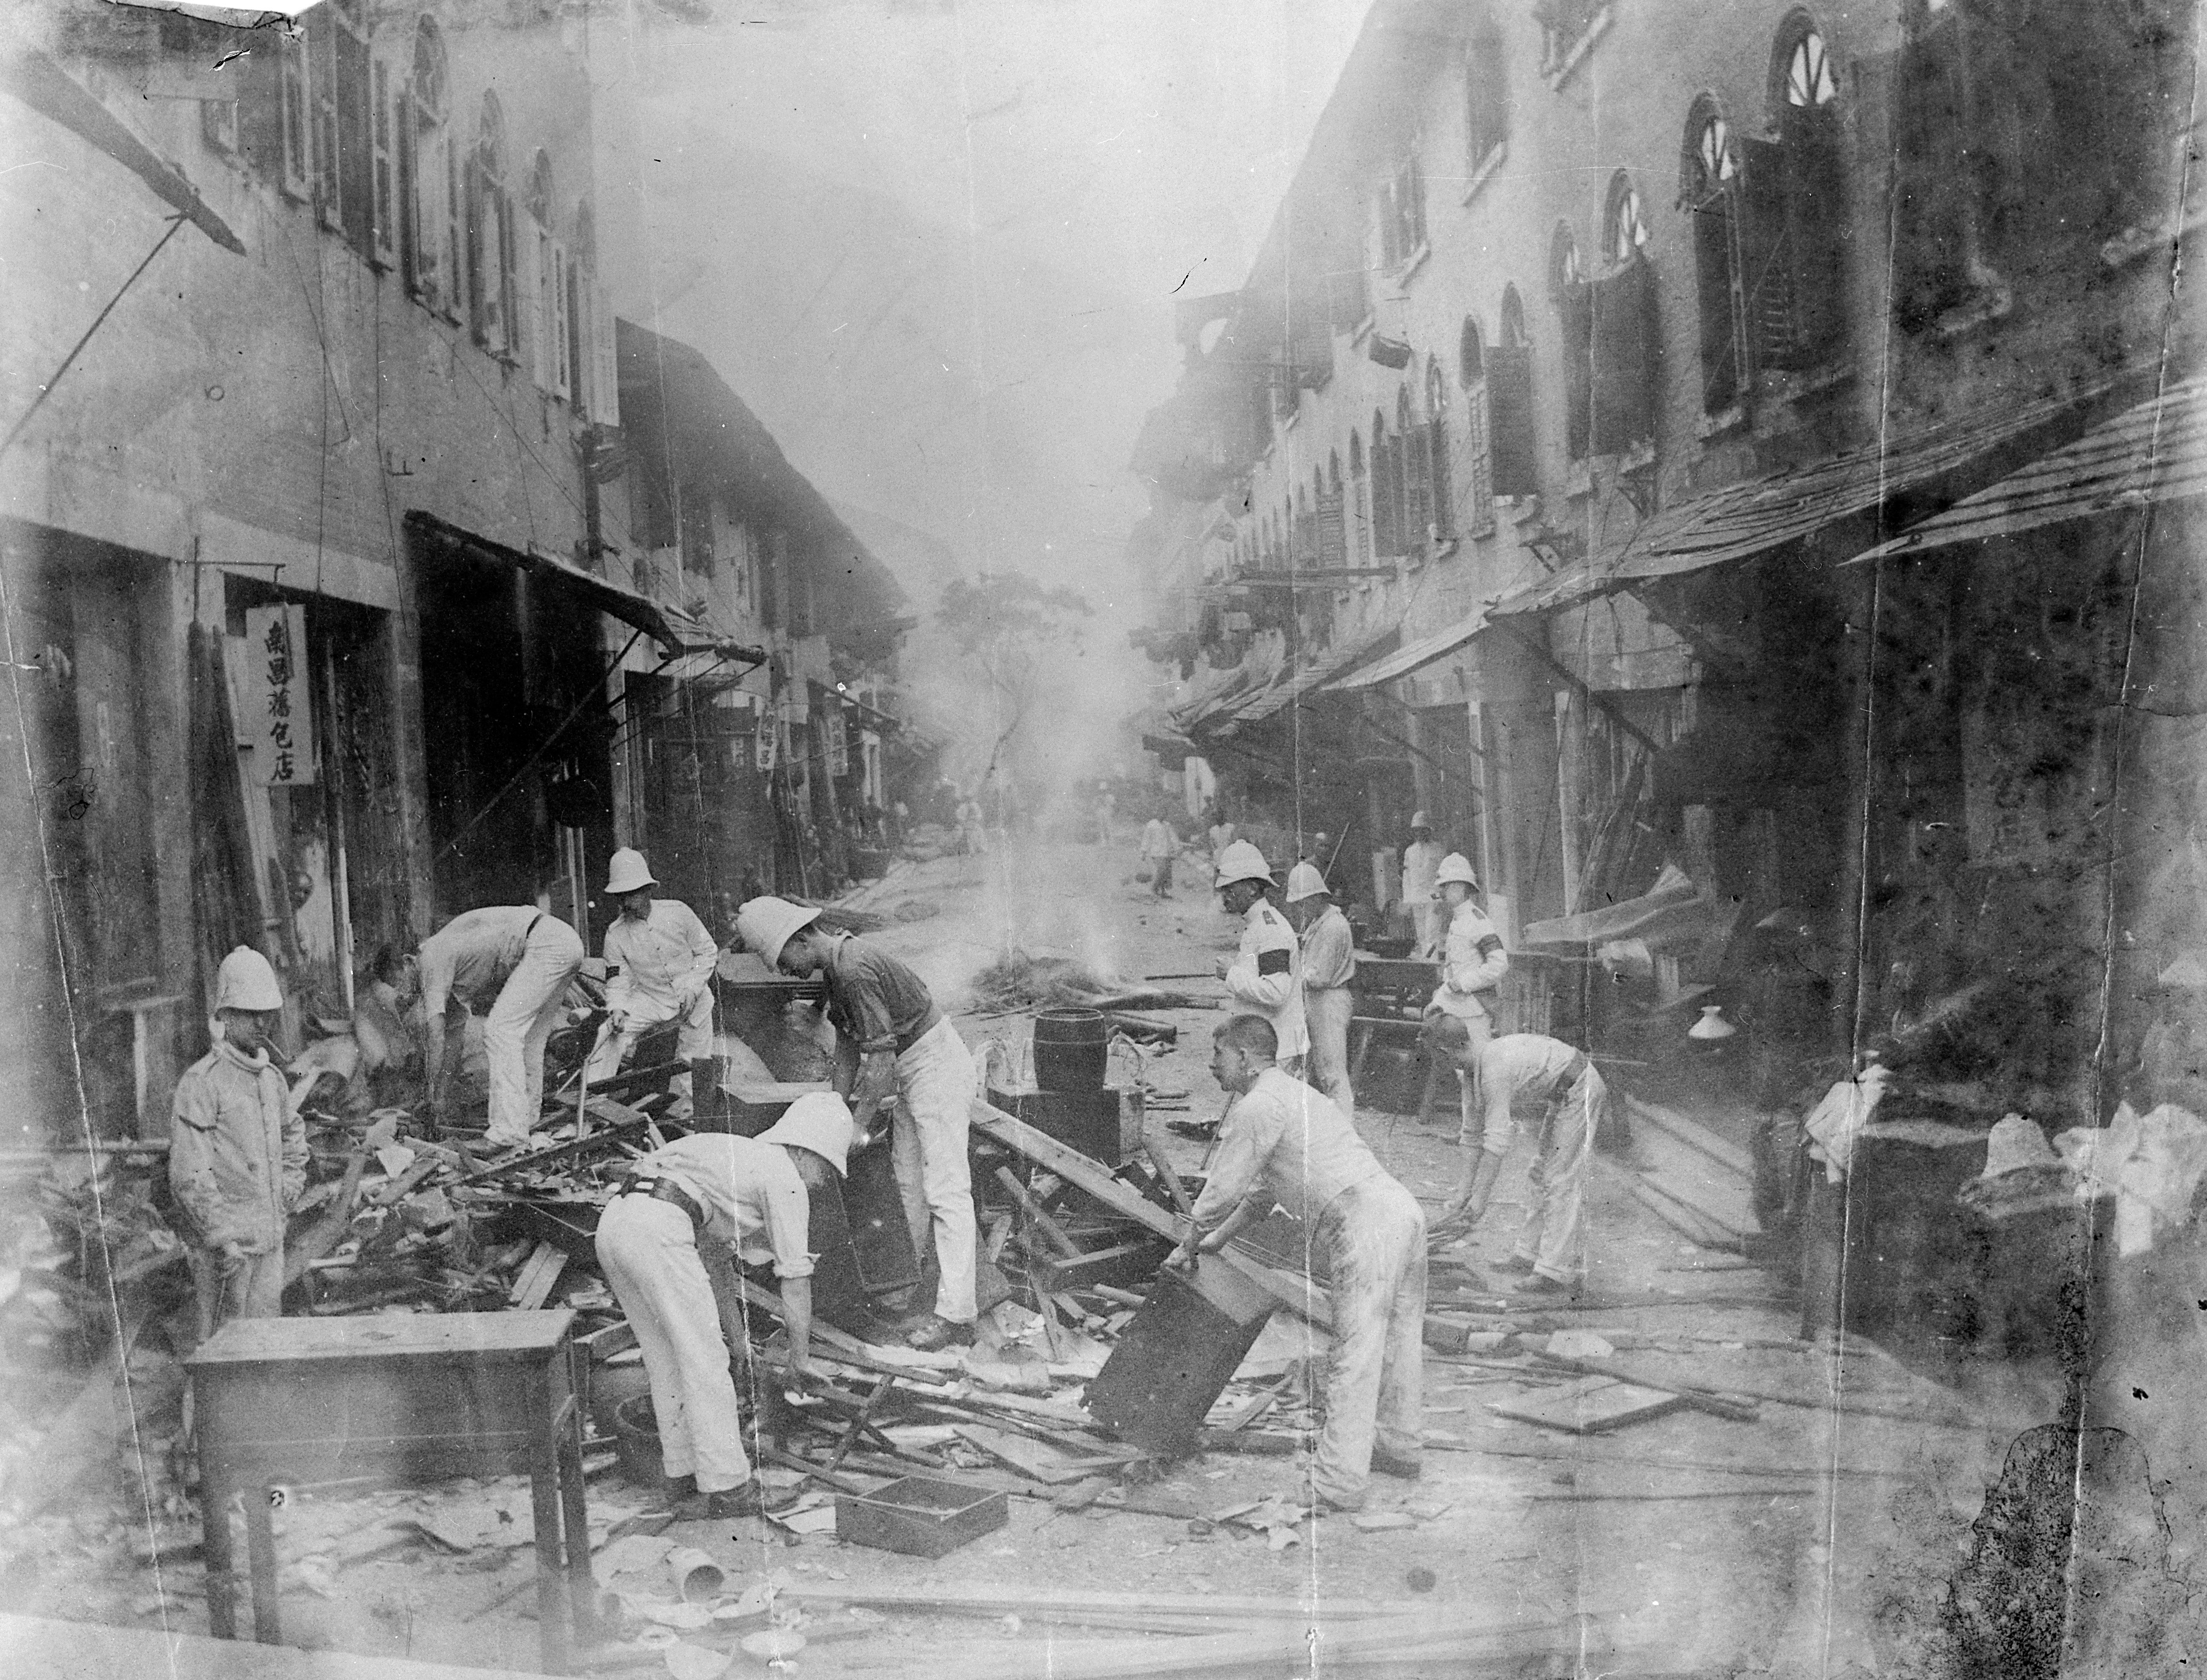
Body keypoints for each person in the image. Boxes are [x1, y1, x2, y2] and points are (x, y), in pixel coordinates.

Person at [1170, 1015, 1425, 1512]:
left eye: (1218, 1053)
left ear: (1244, 1057)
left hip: (1363, 1221)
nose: (1211, 1065)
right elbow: (1261, 1196)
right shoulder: (1294, 1095)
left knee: (1354, 1352)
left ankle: (1339, 1482)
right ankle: (1399, 1445)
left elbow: (1219, 1192)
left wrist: (1189, 1241)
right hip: (1400, 1210)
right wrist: (1214, 1244)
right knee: (1400, 1334)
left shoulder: (1257, 1105)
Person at [594, 1092, 855, 1519]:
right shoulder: (785, 1177)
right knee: (703, 1362)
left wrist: (739, 1344)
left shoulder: (735, 1159)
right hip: (660, 1226)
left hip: (618, 1222)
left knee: (667, 1359)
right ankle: (729, 1487)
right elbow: (796, 1281)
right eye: (826, 1170)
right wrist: (799, 1360)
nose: (822, 1182)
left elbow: (717, 1271)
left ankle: (682, 1473)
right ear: (810, 1154)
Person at [735, 895, 979, 1350]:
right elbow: (848, 1046)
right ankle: (905, 1291)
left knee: (946, 1187)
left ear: (801, 937)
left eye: (784, 959)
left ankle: (957, 1314)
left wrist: (856, 1125)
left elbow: (881, 1062)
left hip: (933, 1064)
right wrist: (832, 1108)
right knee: (907, 1180)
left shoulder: (853, 968)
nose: (785, 970)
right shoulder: (836, 968)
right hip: (913, 1069)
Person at [169, 947, 308, 1340]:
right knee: (220, 1352)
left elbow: (294, 1140)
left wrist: (287, 1192)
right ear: (225, 1016)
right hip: (226, 1256)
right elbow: (190, 1173)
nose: (261, 1022)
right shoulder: (203, 1083)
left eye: (267, 1012)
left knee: (265, 1348)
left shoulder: (272, 1081)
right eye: (249, 1013)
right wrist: (223, 1239)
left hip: (268, 1244)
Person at [1431, 1022, 1607, 1296]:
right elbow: (1471, 1134)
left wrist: (1480, 1199)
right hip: (1561, 1093)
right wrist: (1463, 1195)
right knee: (1538, 1174)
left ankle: (1555, 1272)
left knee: (1560, 1179)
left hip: (1580, 1087)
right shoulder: (1469, 1070)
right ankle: (1527, 1254)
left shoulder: (1493, 1068)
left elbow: (1497, 1140)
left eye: (1434, 1057)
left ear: (1444, 1051)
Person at [399, 905, 586, 1150]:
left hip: (545, 941)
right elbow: (453, 1041)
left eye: (398, 984)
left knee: (500, 1031)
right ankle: (527, 1120)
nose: (402, 996)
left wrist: (430, 1093)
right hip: (562, 942)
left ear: (408, 962)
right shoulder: (450, 965)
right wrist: (440, 1098)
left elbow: (435, 1036)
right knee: (531, 1039)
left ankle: (508, 1132)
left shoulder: (431, 957)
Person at [582, 850, 719, 1121]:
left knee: (697, 1062)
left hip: (694, 999)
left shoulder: (678, 913)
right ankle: (593, 1105)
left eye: (631, 893)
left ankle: (699, 1120)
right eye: (620, 896)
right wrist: (617, 1008)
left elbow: (707, 952)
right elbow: (617, 978)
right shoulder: (616, 933)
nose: (625, 902)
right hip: (651, 999)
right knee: (609, 1033)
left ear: (647, 890)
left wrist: (692, 984)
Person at [1425, 853, 1509, 1135]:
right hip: (1458, 1004)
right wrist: (1450, 980)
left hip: (1474, 1007)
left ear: (1462, 888)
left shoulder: (1477, 921)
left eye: (1448, 887)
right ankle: (1469, 1132)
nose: (1444, 893)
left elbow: (1499, 963)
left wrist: (1465, 982)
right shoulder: (1457, 920)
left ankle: (1489, 1133)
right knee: (1464, 1073)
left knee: (1481, 1073)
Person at [1213, 840, 1308, 1073]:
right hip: (1268, 1045)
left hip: (1279, 1049)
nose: (1225, 895)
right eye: (1224, 889)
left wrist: (1231, 975)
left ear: (1253, 889)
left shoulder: (1270, 928)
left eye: (1231, 888)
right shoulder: (1258, 923)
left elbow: (1276, 991)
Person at [1285, 861, 1357, 1113]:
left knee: (1333, 1070)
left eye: (1304, 902)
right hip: (1318, 1000)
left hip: (1330, 1000)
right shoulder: (1320, 922)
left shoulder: (1334, 926)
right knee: (1318, 1067)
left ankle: (1344, 1130)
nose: (1301, 909)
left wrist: (1289, 976)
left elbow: (1320, 976)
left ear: (1317, 897)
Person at [1401, 814, 1445, 958]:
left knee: (1432, 933)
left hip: (1433, 897)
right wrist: (1407, 900)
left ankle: (1433, 964)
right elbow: (1407, 877)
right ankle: (1426, 964)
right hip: (1416, 897)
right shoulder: (1410, 851)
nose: (1419, 834)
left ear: (1428, 830)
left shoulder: (1438, 850)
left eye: (1422, 830)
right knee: (1421, 935)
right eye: (1416, 831)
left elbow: (1443, 876)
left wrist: (1440, 898)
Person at [1140, 812, 1179, 899]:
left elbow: (1173, 838)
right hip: (1156, 852)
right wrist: (1143, 851)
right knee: (1161, 871)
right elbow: (1146, 838)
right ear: (1157, 814)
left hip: (1166, 852)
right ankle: (1154, 889)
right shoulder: (1151, 824)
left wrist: (1177, 849)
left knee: (1167, 873)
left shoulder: (1167, 825)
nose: (1163, 815)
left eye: (1165, 814)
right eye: (1161, 813)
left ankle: (1164, 891)